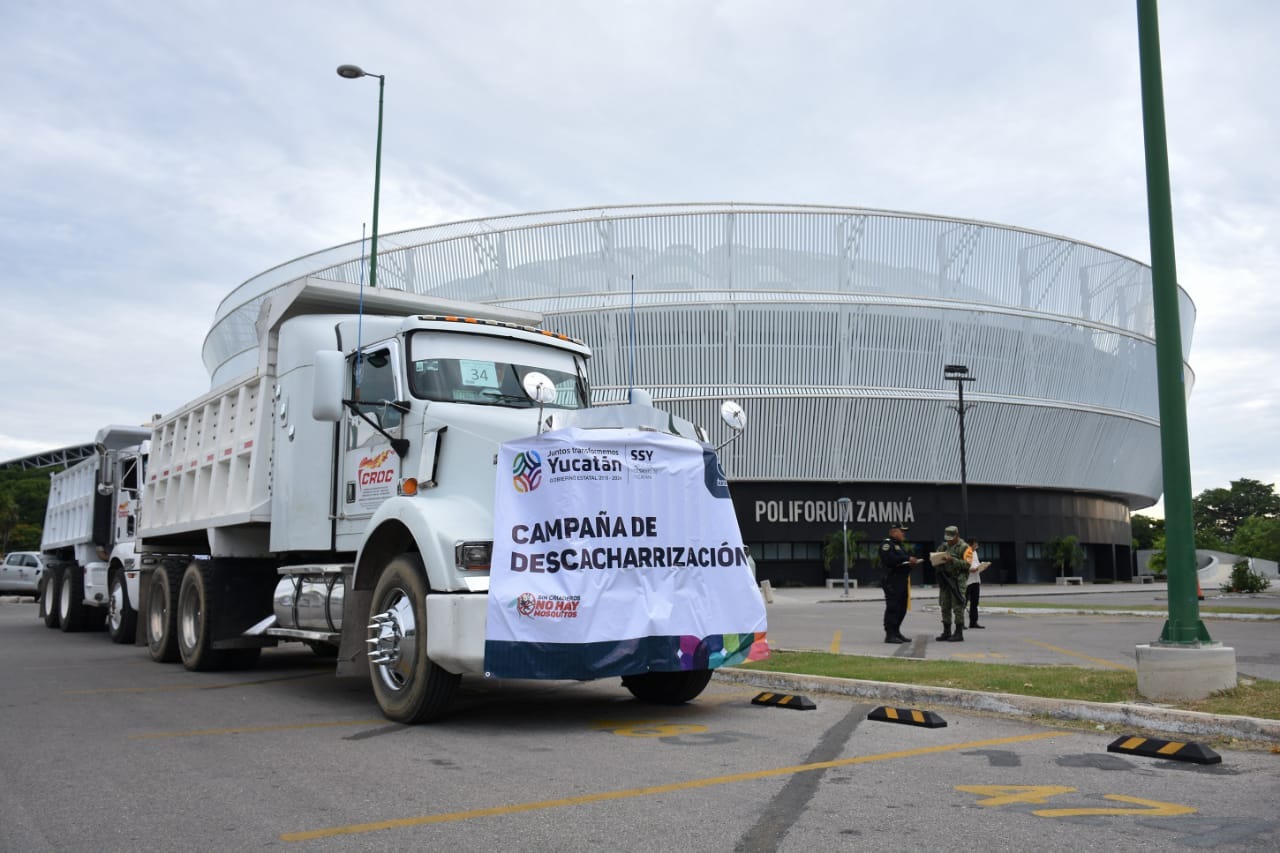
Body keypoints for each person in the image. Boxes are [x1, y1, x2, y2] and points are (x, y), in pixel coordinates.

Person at [879, 525, 917, 643]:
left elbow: (902, 560)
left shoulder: (899, 546)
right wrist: (906, 558)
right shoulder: (887, 545)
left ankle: (896, 631)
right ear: (893, 532)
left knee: (902, 608)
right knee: (893, 607)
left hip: (901, 580)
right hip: (892, 581)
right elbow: (890, 560)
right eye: (902, 532)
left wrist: (910, 564)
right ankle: (890, 634)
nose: (903, 534)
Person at [935, 525, 969, 642]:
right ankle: (946, 631)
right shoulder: (943, 546)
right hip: (945, 580)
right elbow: (936, 558)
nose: (949, 540)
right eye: (947, 538)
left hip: (957, 581)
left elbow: (968, 564)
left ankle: (959, 633)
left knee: (958, 607)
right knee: (945, 606)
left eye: (951, 538)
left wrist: (952, 560)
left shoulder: (964, 547)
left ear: (957, 536)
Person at [965, 539, 985, 629]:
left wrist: (982, 566)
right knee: (963, 603)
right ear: (970, 544)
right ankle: (960, 623)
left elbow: (976, 564)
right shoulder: (966, 552)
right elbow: (964, 566)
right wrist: (971, 569)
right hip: (967, 581)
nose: (977, 546)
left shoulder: (975, 553)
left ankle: (973, 622)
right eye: (975, 545)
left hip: (976, 580)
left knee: (975, 603)